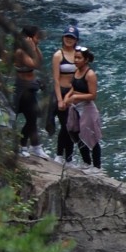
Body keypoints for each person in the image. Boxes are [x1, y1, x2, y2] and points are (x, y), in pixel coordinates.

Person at [65, 47, 102, 170]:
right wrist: (68, 96)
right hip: (76, 108)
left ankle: (97, 167)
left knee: (91, 137)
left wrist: (75, 96)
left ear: (86, 60)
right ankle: (86, 162)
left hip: (87, 109)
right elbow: (73, 87)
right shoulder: (76, 71)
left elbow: (93, 95)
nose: (75, 60)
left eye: (79, 58)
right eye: (75, 57)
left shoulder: (90, 74)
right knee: (76, 133)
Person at [12, 25, 44, 155]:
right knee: (31, 118)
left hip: (30, 87)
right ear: (30, 38)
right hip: (23, 88)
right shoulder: (20, 51)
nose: (39, 39)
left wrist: (35, 48)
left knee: (32, 117)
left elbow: (40, 61)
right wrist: (32, 48)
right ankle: (22, 146)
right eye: (37, 37)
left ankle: (35, 147)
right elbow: (34, 65)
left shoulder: (29, 49)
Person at [50, 27, 80, 160]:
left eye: (72, 37)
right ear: (63, 38)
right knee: (65, 125)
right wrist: (60, 100)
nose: (69, 39)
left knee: (73, 126)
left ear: (76, 40)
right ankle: (58, 155)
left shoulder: (78, 55)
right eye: (67, 36)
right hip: (61, 91)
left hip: (74, 93)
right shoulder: (58, 55)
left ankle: (69, 157)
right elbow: (55, 79)